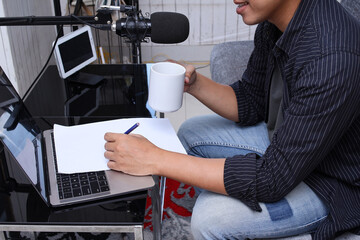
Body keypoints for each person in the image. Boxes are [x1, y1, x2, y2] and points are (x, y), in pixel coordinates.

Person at [104, 0, 360, 239]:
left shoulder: (332, 58)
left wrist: (155, 159)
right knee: (191, 132)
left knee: (210, 219)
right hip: (290, 146)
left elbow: (272, 179)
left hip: (333, 183)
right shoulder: (274, 24)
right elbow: (250, 101)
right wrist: (194, 84)